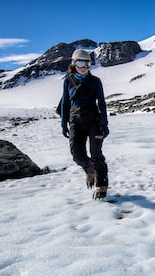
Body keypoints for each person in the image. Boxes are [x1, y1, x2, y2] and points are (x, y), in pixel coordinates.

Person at [61, 49, 109, 199]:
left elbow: (101, 103)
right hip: (75, 121)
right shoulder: (67, 81)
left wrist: (104, 123)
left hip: (93, 120)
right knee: (76, 154)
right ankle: (89, 170)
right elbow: (65, 103)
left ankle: (101, 186)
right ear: (74, 63)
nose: (84, 67)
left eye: (87, 64)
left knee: (96, 155)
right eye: (81, 63)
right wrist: (63, 123)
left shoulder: (95, 81)